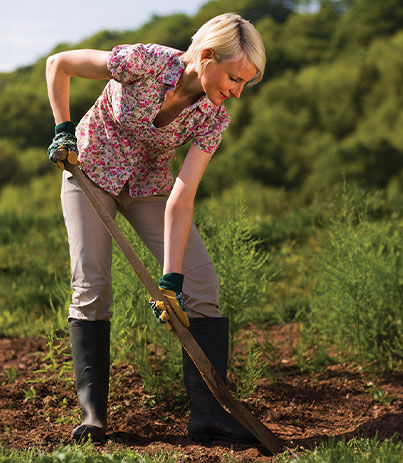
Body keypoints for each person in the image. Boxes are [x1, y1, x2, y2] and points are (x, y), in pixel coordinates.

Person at [45, 12, 266, 444]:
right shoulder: (145, 63)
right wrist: (63, 129)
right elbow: (60, 64)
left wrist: (171, 279)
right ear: (205, 56)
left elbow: (181, 199)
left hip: (147, 186)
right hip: (88, 169)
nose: (237, 93)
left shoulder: (213, 117)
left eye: (245, 85)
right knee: (92, 284)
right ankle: (93, 418)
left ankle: (209, 416)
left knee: (201, 283)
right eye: (234, 79)